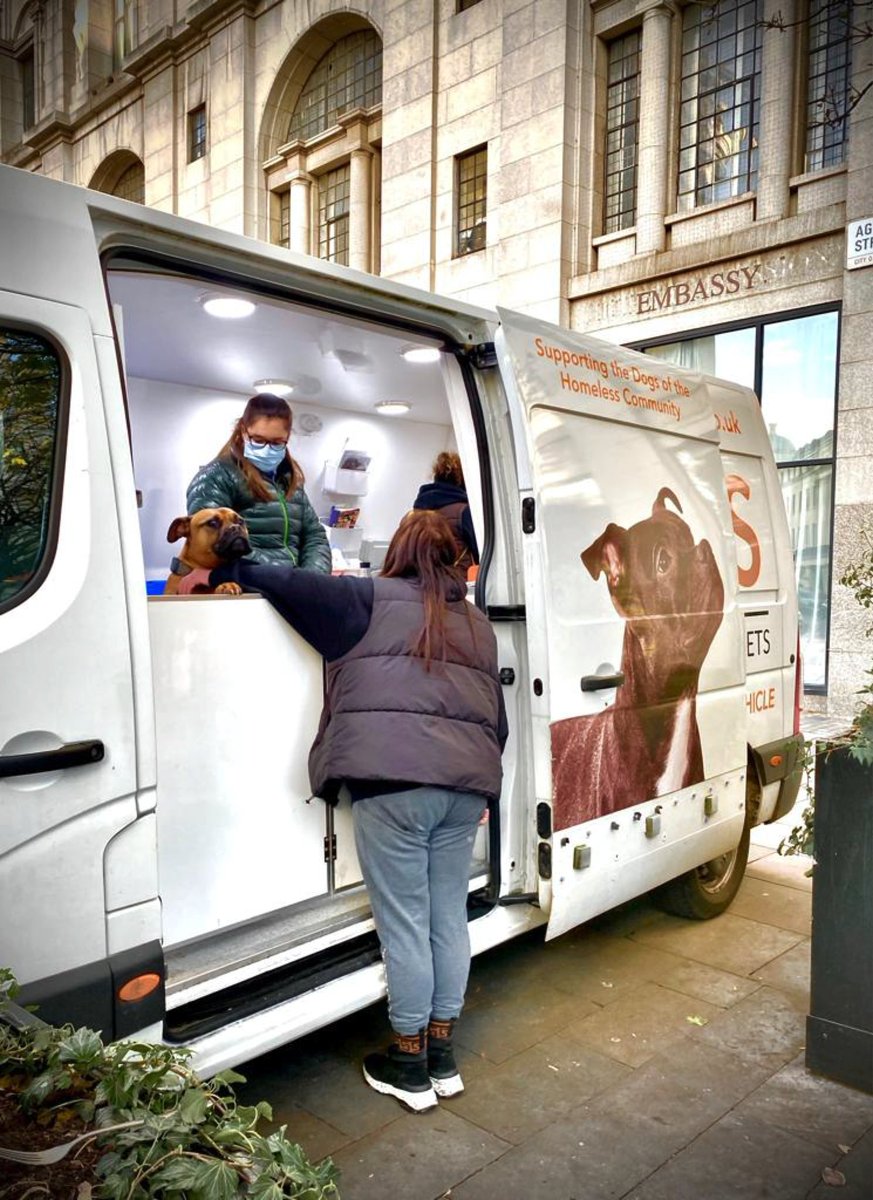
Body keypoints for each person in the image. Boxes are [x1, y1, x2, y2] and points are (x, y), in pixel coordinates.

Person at [210, 509, 506, 1112]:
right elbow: (494, 717)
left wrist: (228, 565)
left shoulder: (362, 600)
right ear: (452, 559)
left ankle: (408, 1064)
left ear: (396, 551)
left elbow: (283, 581)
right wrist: (482, 790)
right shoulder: (477, 622)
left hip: (392, 787)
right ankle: (443, 1059)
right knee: (447, 919)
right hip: (464, 788)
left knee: (403, 925)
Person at [186, 393, 331, 571]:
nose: (267, 449)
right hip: (248, 587)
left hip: (293, 587)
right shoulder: (217, 476)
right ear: (242, 430)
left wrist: (311, 580)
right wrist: (281, 578)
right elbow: (212, 544)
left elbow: (315, 536)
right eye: (258, 440)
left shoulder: (291, 480)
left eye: (277, 443)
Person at [412, 451, 479, 571]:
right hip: (454, 584)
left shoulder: (415, 513)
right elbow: (481, 553)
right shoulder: (463, 512)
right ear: (462, 480)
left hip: (421, 582)